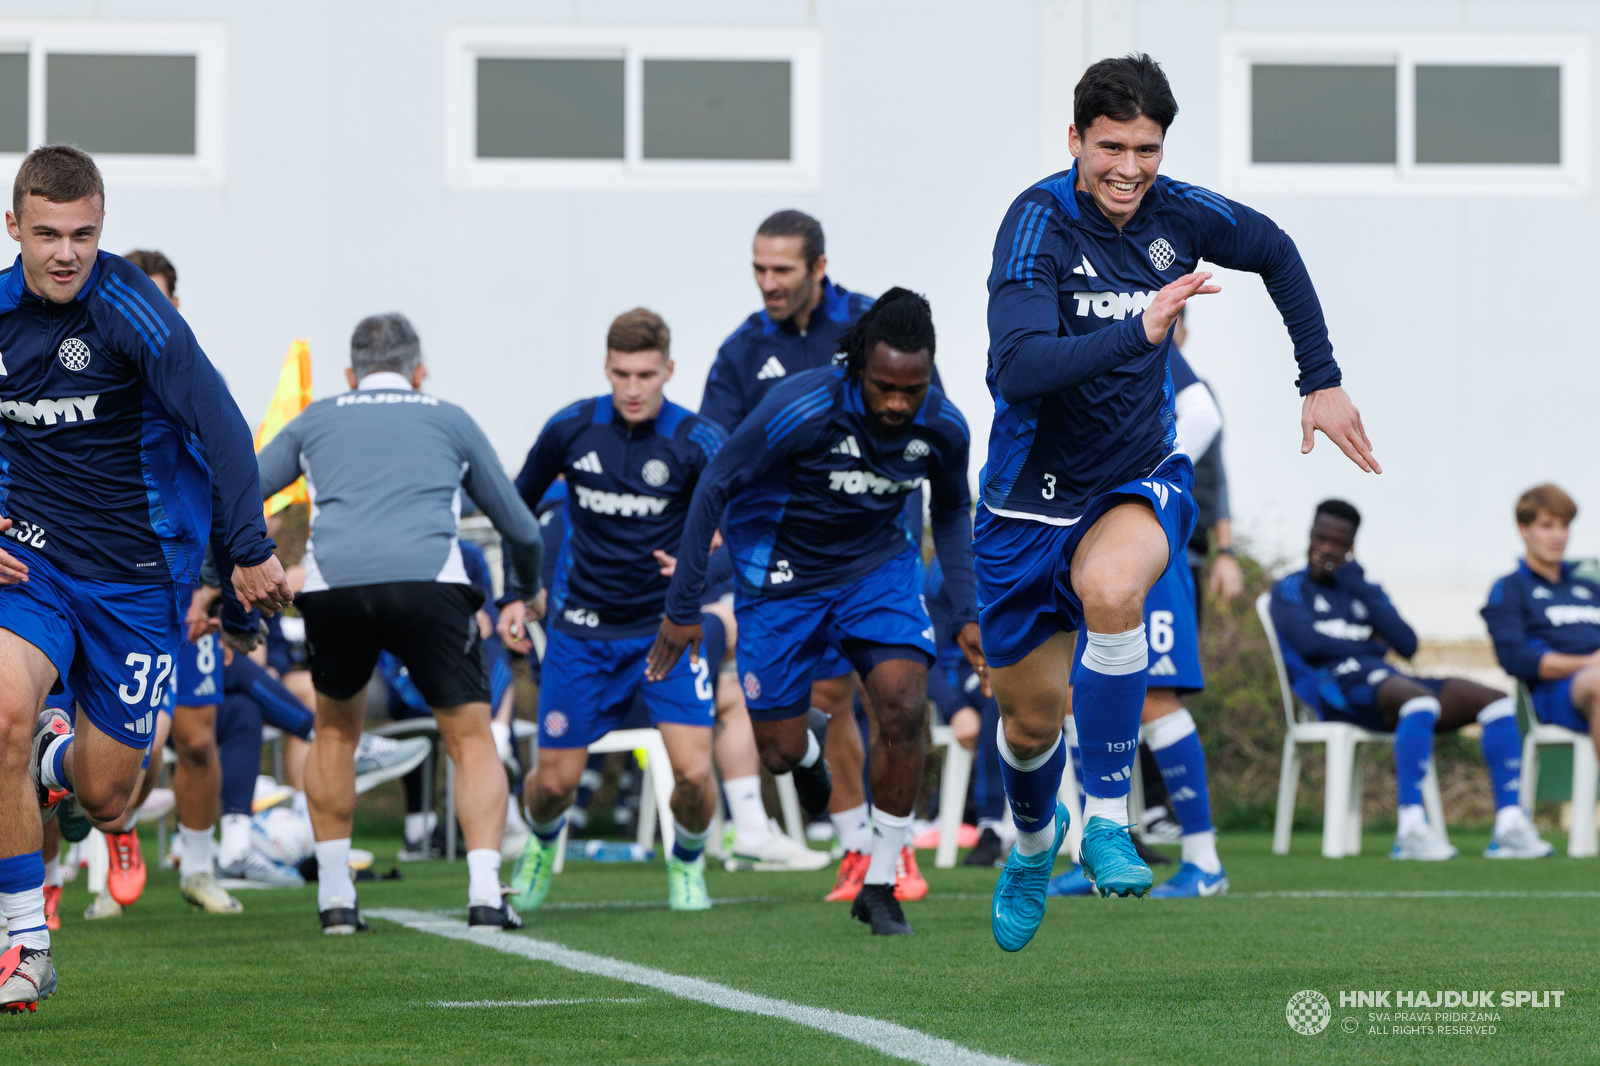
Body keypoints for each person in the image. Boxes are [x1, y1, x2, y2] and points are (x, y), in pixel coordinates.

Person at [979, 54, 1378, 953]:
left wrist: (1320, 378)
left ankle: (1109, 820)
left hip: (1134, 476)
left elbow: (1273, 246)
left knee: (1116, 593)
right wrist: (1139, 330)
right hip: (1026, 502)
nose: (1129, 168)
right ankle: (1035, 847)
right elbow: (1018, 367)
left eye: (1147, 149)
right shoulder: (1034, 225)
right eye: (1111, 146)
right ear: (1075, 140)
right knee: (1030, 721)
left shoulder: (1177, 213)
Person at [0, 146, 290, 1013]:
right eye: (46, 234)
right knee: (3, 716)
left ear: (101, 231)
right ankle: (25, 942)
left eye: (83, 235)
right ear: (14, 228)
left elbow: (221, 423)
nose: (65, 253)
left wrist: (246, 547)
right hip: (34, 561)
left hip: (135, 580)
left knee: (107, 794)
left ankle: (57, 764)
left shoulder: (134, 310)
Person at [649, 288, 984, 936]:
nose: (896, 403)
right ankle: (806, 748)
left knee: (904, 704)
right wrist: (683, 604)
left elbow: (950, 511)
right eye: (884, 386)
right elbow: (716, 484)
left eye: (910, 390)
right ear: (859, 366)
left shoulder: (942, 427)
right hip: (781, 577)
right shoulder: (802, 407)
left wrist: (966, 610)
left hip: (876, 571)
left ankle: (881, 879)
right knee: (775, 752)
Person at [256, 312, 543, 934]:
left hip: (337, 590)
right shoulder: (448, 415)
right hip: (429, 585)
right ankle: (486, 896)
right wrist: (523, 592)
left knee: (333, 734)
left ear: (350, 373)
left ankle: (336, 900)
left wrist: (216, 573)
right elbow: (521, 527)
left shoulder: (315, 417)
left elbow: (239, 492)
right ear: (419, 372)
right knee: (470, 739)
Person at [507, 309, 725, 912]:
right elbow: (514, 510)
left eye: (646, 375)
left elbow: (743, 532)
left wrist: (700, 570)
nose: (633, 388)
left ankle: (686, 861)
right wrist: (512, 592)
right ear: (606, 368)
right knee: (553, 784)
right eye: (622, 374)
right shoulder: (571, 428)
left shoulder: (698, 440)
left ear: (669, 371)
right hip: (580, 632)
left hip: (666, 635)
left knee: (695, 776)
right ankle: (542, 843)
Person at [699, 209, 879, 893]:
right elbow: (711, 446)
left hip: (863, 543)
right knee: (810, 707)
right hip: (778, 557)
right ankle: (849, 835)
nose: (767, 283)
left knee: (877, 689)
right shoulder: (742, 351)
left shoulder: (867, 325)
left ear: (819, 268)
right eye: (758, 269)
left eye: (782, 270)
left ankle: (879, 848)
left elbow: (919, 404)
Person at [1049, 345, 1229, 899]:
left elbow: (1203, 416)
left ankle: (1204, 863)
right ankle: (1100, 850)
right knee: (1083, 695)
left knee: (1155, 700)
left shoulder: (1137, 337)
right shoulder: (1066, 342)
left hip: (1140, 541)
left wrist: (1140, 491)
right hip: (1084, 542)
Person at [1272, 499, 1545, 859]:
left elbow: (1407, 643)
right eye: (1319, 538)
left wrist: (1360, 588)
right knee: (1418, 700)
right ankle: (1411, 828)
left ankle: (1509, 825)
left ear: (1350, 548)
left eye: (1336, 543)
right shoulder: (1291, 589)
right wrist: (1367, 648)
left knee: (1496, 702)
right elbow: (1308, 644)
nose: (1325, 548)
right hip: (1334, 689)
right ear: (1309, 535)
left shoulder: (1360, 588)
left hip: (1386, 682)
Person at [1137, 312, 1241, 845]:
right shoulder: (1103, 355)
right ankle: (1108, 835)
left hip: (1164, 545)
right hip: (1096, 546)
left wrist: (1225, 550)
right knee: (1080, 691)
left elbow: (1214, 467)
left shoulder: (1187, 385)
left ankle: (1192, 846)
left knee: (1156, 691)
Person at [1484, 484, 1600, 828]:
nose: (1558, 536)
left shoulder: (1589, 589)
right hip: (1556, 696)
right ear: (1524, 529)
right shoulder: (1511, 587)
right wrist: (1590, 663)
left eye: (1564, 526)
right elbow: (1514, 659)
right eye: (1547, 525)